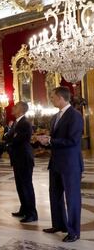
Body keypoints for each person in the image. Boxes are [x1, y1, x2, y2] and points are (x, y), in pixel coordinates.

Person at [37, 86, 84, 243]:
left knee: (72, 198)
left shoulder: (75, 116)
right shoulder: (55, 116)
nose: (51, 99)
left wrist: (51, 140)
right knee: (54, 196)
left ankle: (74, 231)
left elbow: (73, 141)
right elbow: (56, 140)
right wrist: (46, 141)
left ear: (61, 98)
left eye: (53, 97)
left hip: (70, 164)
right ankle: (59, 225)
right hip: (56, 163)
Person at [6, 101, 38, 223]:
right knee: (20, 186)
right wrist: (10, 138)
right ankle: (24, 209)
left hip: (24, 158)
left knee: (26, 186)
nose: (13, 108)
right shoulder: (16, 123)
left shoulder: (25, 123)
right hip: (17, 158)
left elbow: (17, 139)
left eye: (16, 106)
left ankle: (32, 213)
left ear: (21, 110)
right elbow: (8, 137)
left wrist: (10, 140)